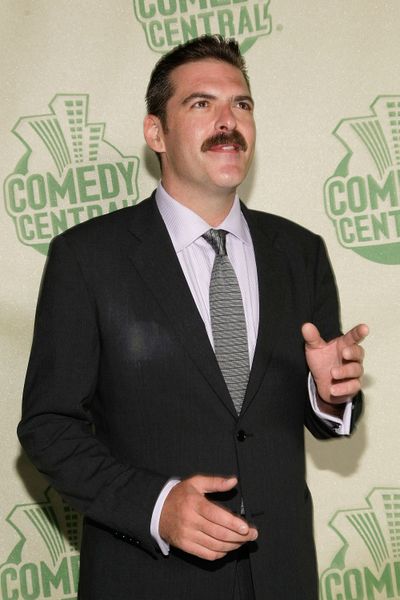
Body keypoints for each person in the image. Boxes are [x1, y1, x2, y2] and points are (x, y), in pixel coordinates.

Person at [18, 35, 368, 599]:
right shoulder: (87, 257)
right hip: (146, 581)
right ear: (155, 132)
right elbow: (48, 426)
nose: (228, 121)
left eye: (242, 104)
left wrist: (329, 398)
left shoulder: (300, 252)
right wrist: (155, 507)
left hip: (283, 578)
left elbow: (310, 413)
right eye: (201, 104)